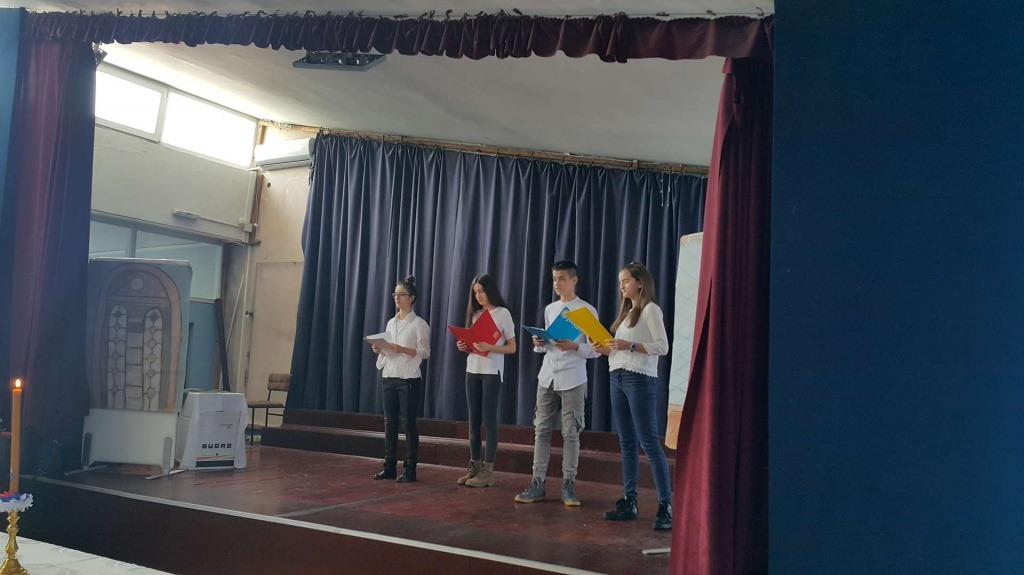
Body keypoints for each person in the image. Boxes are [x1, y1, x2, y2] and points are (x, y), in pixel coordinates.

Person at [593, 261, 673, 531]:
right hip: (617, 376)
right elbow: (620, 352)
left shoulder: (651, 310)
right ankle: (630, 500)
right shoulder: (627, 313)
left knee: (649, 441)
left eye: (625, 281)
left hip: (639, 379)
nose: (622, 286)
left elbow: (662, 346)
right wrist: (605, 348)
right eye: (620, 282)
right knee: (626, 442)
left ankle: (666, 505)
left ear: (640, 282)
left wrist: (630, 345)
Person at [515, 260, 599, 506]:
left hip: (573, 377)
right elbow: (549, 345)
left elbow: (597, 349)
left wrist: (575, 346)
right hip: (548, 376)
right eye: (554, 279)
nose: (557, 284)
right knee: (541, 430)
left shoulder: (586, 310)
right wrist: (540, 343)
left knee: (570, 433)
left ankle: (568, 485)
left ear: (574, 280)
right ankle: (537, 482)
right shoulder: (551, 309)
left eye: (562, 278)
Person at [456, 274, 517, 488]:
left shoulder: (502, 313)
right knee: (473, 421)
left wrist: (490, 347)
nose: (478, 296)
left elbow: (512, 347)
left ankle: (488, 471)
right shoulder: (475, 314)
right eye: (475, 292)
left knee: (489, 420)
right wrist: (464, 346)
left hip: (491, 371)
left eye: (481, 291)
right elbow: (473, 344)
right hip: (472, 369)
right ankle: (474, 465)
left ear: (490, 290)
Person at [370, 275, 430, 483]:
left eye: (402, 295)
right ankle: (389, 466)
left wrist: (403, 349)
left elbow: (425, 352)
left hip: (408, 378)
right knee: (389, 423)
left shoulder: (419, 324)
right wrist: (381, 349)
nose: (397, 298)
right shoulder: (391, 322)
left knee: (408, 423)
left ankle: (411, 468)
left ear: (412, 298)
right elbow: (389, 348)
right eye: (395, 294)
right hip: (389, 375)